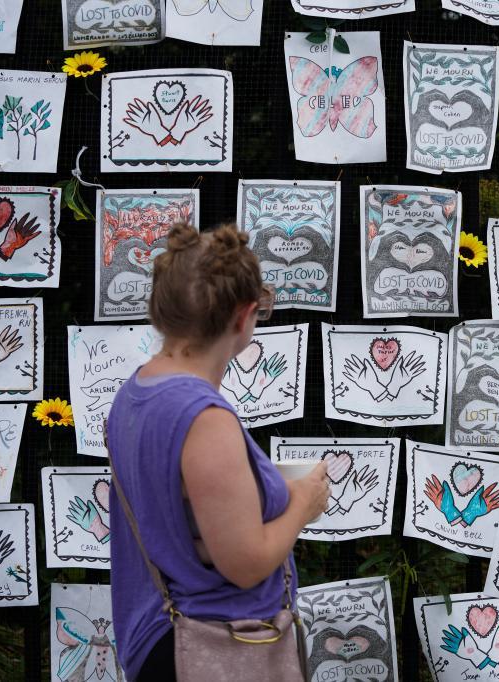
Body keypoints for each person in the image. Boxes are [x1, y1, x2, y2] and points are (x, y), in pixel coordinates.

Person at [106, 224, 330, 681]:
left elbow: (180, 517)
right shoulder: (204, 419)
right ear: (243, 316)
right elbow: (245, 563)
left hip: (163, 641)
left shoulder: (136, 391)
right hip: (216, 647)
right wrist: (302, 505)